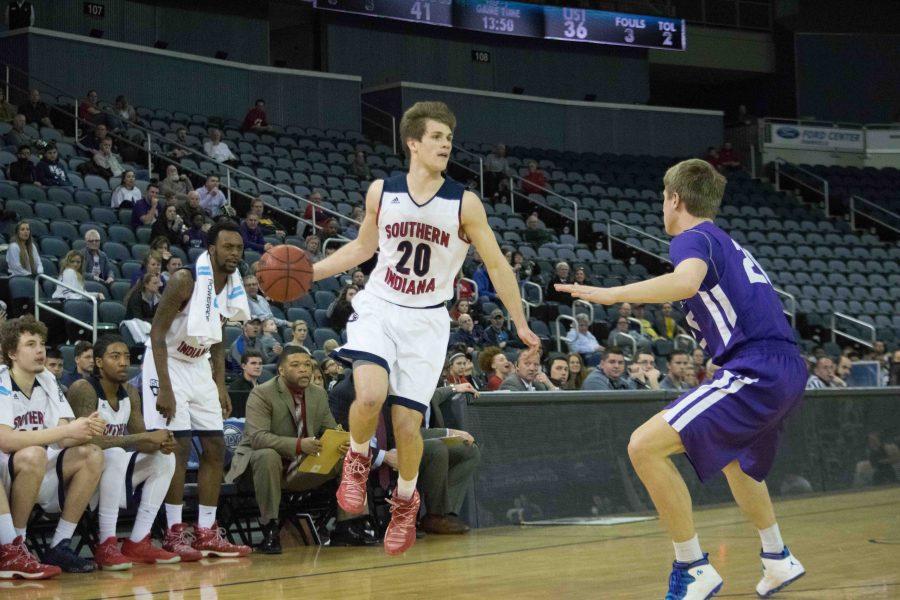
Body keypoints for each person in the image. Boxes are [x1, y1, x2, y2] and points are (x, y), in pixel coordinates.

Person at [555, 158, 808, 599]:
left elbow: (686, 283)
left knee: (643, 447)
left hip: (757, 368)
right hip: (783, 365)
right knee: (737, 461)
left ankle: (692, 565)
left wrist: (614, 294)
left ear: (674, 198)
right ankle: (777, 557)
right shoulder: (724, 242)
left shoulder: (692, 238)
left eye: (662, 198)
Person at [312, 102, 538, 555]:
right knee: (370, 395)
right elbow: (361, 248)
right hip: (379, 304)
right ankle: (357, 460)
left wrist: (520, 322)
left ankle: (405, 500)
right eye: (436, 136)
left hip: (428, 319)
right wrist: (309, 273)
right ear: (413, 142)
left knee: (407, 427)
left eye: (449, 137)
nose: (445, 143)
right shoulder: (383, 191)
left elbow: (496, 265)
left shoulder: (463, 202)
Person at [142, 220, 252, 560]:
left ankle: (206, 530)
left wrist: (219, 385)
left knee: (216, 446)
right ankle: (175, 531)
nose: (234, 253)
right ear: (211, 249)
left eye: (238, 248)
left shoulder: (230, 286)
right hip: (168, 360)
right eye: (227, 247)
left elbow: (216, 340)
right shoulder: (185, 280)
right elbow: (156, 334)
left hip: (198, 362)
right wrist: (165, 389)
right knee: (179, 444)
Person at [225, 349, 374, 553]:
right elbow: (257, 438)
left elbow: (330, 429)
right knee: (267, 455)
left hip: (301, 465)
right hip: (259, 469)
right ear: (281, 370)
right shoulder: (261, 393)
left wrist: (341, 441)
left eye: (307, 365)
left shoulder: (318, 393)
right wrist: (298, 445)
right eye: (295, 365)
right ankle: (270, 529)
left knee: (352, 456)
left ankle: (348, 526)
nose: (304, 369)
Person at [0, 316, 106, 574]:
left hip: (35, 469)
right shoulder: (2, 380)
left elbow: (63, 435)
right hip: (5, 473)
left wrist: (84, 428)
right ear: (12, 353)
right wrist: (66, 429)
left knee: (92, 454)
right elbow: (5, 440)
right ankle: (15, 546)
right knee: (33, 454)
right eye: (31, 344)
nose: (40, 350)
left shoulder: (47, 379)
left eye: (42, 344)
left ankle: (60, 544)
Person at [65, 335, 180, 569]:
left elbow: (141, 441)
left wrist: (160, 443)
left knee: (165, 459)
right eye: (114, 356)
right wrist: (145, 436)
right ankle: (106, 543)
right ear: (98, 362)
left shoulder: (129, 392)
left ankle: (138, 540)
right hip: (76, 474)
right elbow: (88, 440)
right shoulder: (83, 389)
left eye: (126, 357)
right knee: (114, 453)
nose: (123, 362)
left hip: (111, 474)